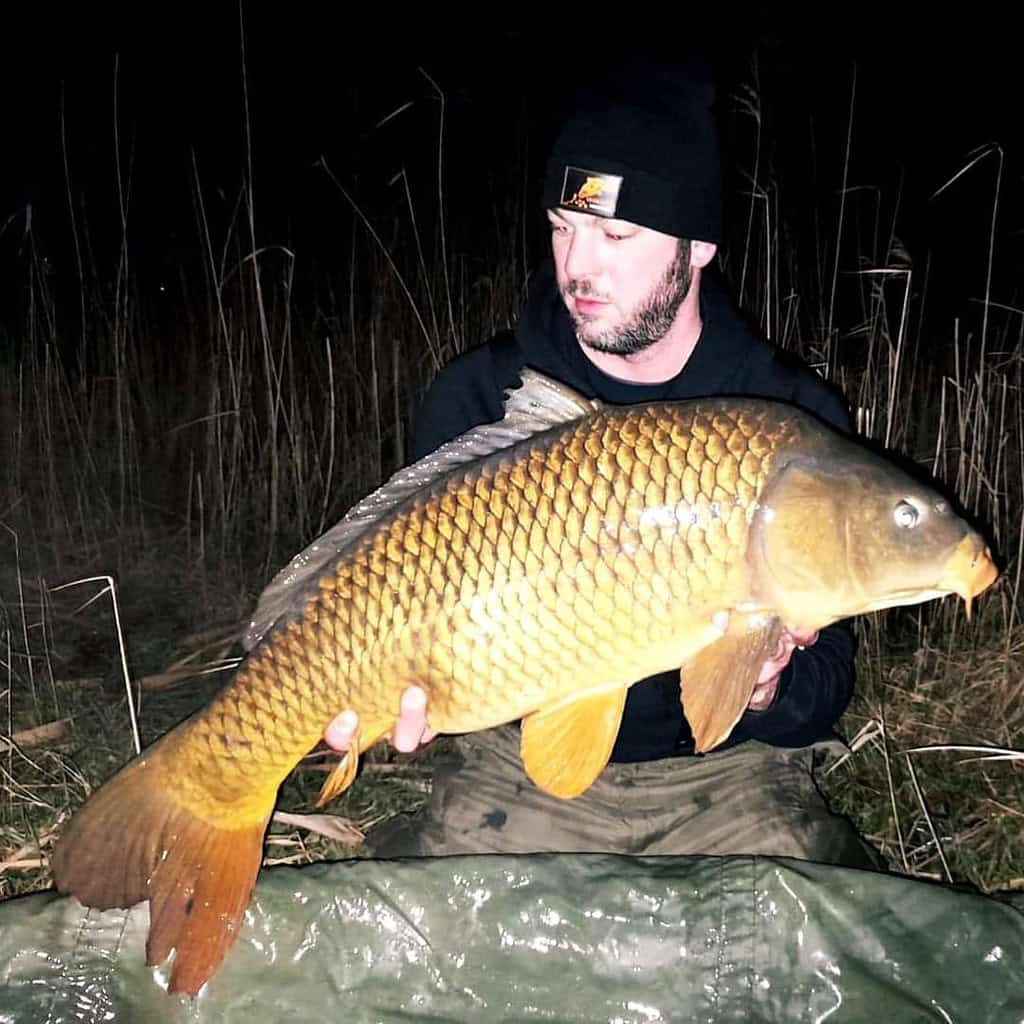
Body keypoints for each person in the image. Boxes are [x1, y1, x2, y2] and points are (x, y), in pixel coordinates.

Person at [321, 61, 880, 869]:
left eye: (617, 235)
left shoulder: (786, 422)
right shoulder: (482, 396)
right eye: (563, 224)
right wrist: (400, 692)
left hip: (726, 782)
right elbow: (396, 599)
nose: (579, 266)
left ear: (698, 246)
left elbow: (825, 690)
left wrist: (766, 687)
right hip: (519, 780)